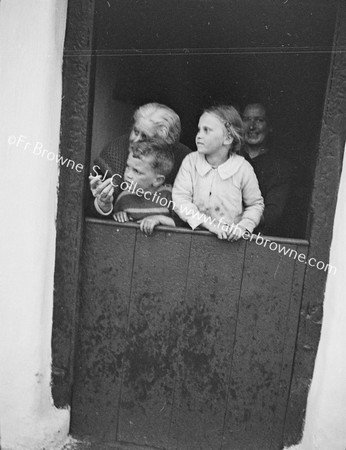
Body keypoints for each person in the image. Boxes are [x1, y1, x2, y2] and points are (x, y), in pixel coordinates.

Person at [172, 105, 264, 241]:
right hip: (193, 237)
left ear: (227, 139)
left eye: (207, 130)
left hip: (230, 241)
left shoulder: (243, 168)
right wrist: (208, 224)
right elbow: (180, 199)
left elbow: (255, 204)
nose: (199, 136)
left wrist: (242, 227)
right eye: (199, 130)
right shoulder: (191, 162)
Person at [89, 102, 191, 216]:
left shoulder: (186, 160)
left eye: (144, 137)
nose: (134, 139)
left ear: (162, 144)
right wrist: (102, 205)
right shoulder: (114, 152)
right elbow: (92, 207)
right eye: (135, 131)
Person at [92, 139, 176, 235]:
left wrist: (158, 219)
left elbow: (181, 224)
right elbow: (113, 229)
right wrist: (118, 215)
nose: (128, 175)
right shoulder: (123, 198)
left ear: (157, 180)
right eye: (128, 167)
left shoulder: (170, 196)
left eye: (136, 171)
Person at [242, 103, 293, 236]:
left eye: (259, 120)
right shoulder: (227, 157)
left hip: (258, 238)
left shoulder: (280, 167)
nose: (252, 126)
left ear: (269, 127)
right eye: (247, 119)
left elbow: (273, 212)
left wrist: (244, 224)